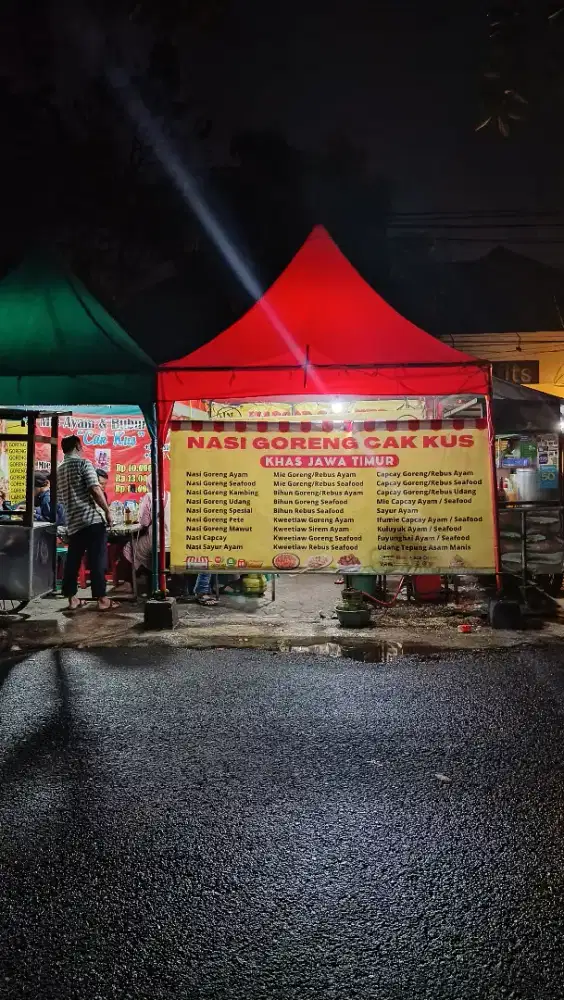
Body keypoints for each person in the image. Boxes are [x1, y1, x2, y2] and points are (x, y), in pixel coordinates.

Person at [57, 435, 117, 612]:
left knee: (73, 561)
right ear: (77, 445)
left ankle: (72, 599)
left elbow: (62, 499)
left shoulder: (59, 470)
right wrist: (107, 511)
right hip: (91, 520)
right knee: (97, 559)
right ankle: (102, 599)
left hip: (74, 523)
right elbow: (95, 489)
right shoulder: (83, 464)